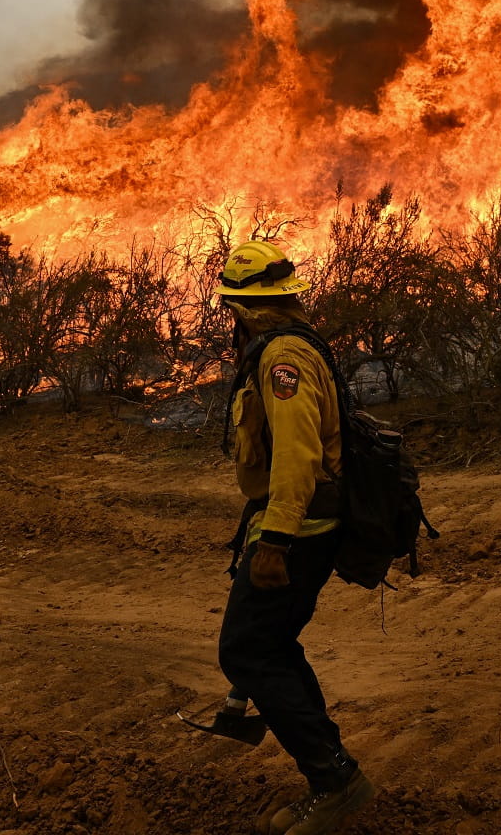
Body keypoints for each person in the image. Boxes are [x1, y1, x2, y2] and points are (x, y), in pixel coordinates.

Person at [212, 239, 375, 835]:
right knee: (270, 647)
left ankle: (335, 782)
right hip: (296, 521)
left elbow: (299, 455)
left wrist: (275, 540)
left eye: (232, 307)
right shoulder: (289, 345)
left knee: (247, 650)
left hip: (299, 527)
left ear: (246, 307)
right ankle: (331, 769)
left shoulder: (282, 359)